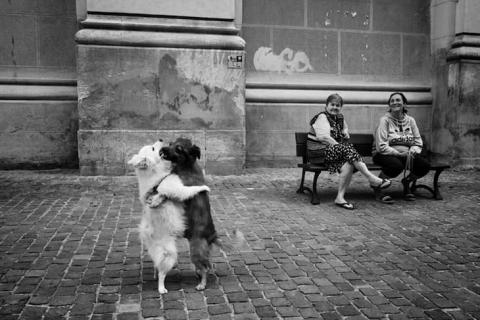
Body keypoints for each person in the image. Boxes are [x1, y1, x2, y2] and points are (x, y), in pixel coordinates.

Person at [307, 93, 391, 210]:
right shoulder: (322, 117)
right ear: (326, 105)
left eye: (338, 105)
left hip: (331, 152)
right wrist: (341, 148)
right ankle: (371, 178)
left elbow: (345, 127)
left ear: (341, 107)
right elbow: (323, 137)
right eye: (332, 105)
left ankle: (340, 198)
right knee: (347, 149)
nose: (335, 107)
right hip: (317, 152)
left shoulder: (340, 117)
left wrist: (346, 131)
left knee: (349, 163)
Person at [372, 92, 431, 202]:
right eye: (392, 101)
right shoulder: (384, 120)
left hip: (405, 154)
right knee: (396, 165)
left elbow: (418, 141)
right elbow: (381, 145)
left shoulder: (411, 120)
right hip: (383, 153)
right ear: (389, 105)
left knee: (424, 166)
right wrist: (398, 153)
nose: (395, 102)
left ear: (404, 104)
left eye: (398, 100)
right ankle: (377, 186)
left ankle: (407, 182)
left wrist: (412, 151)